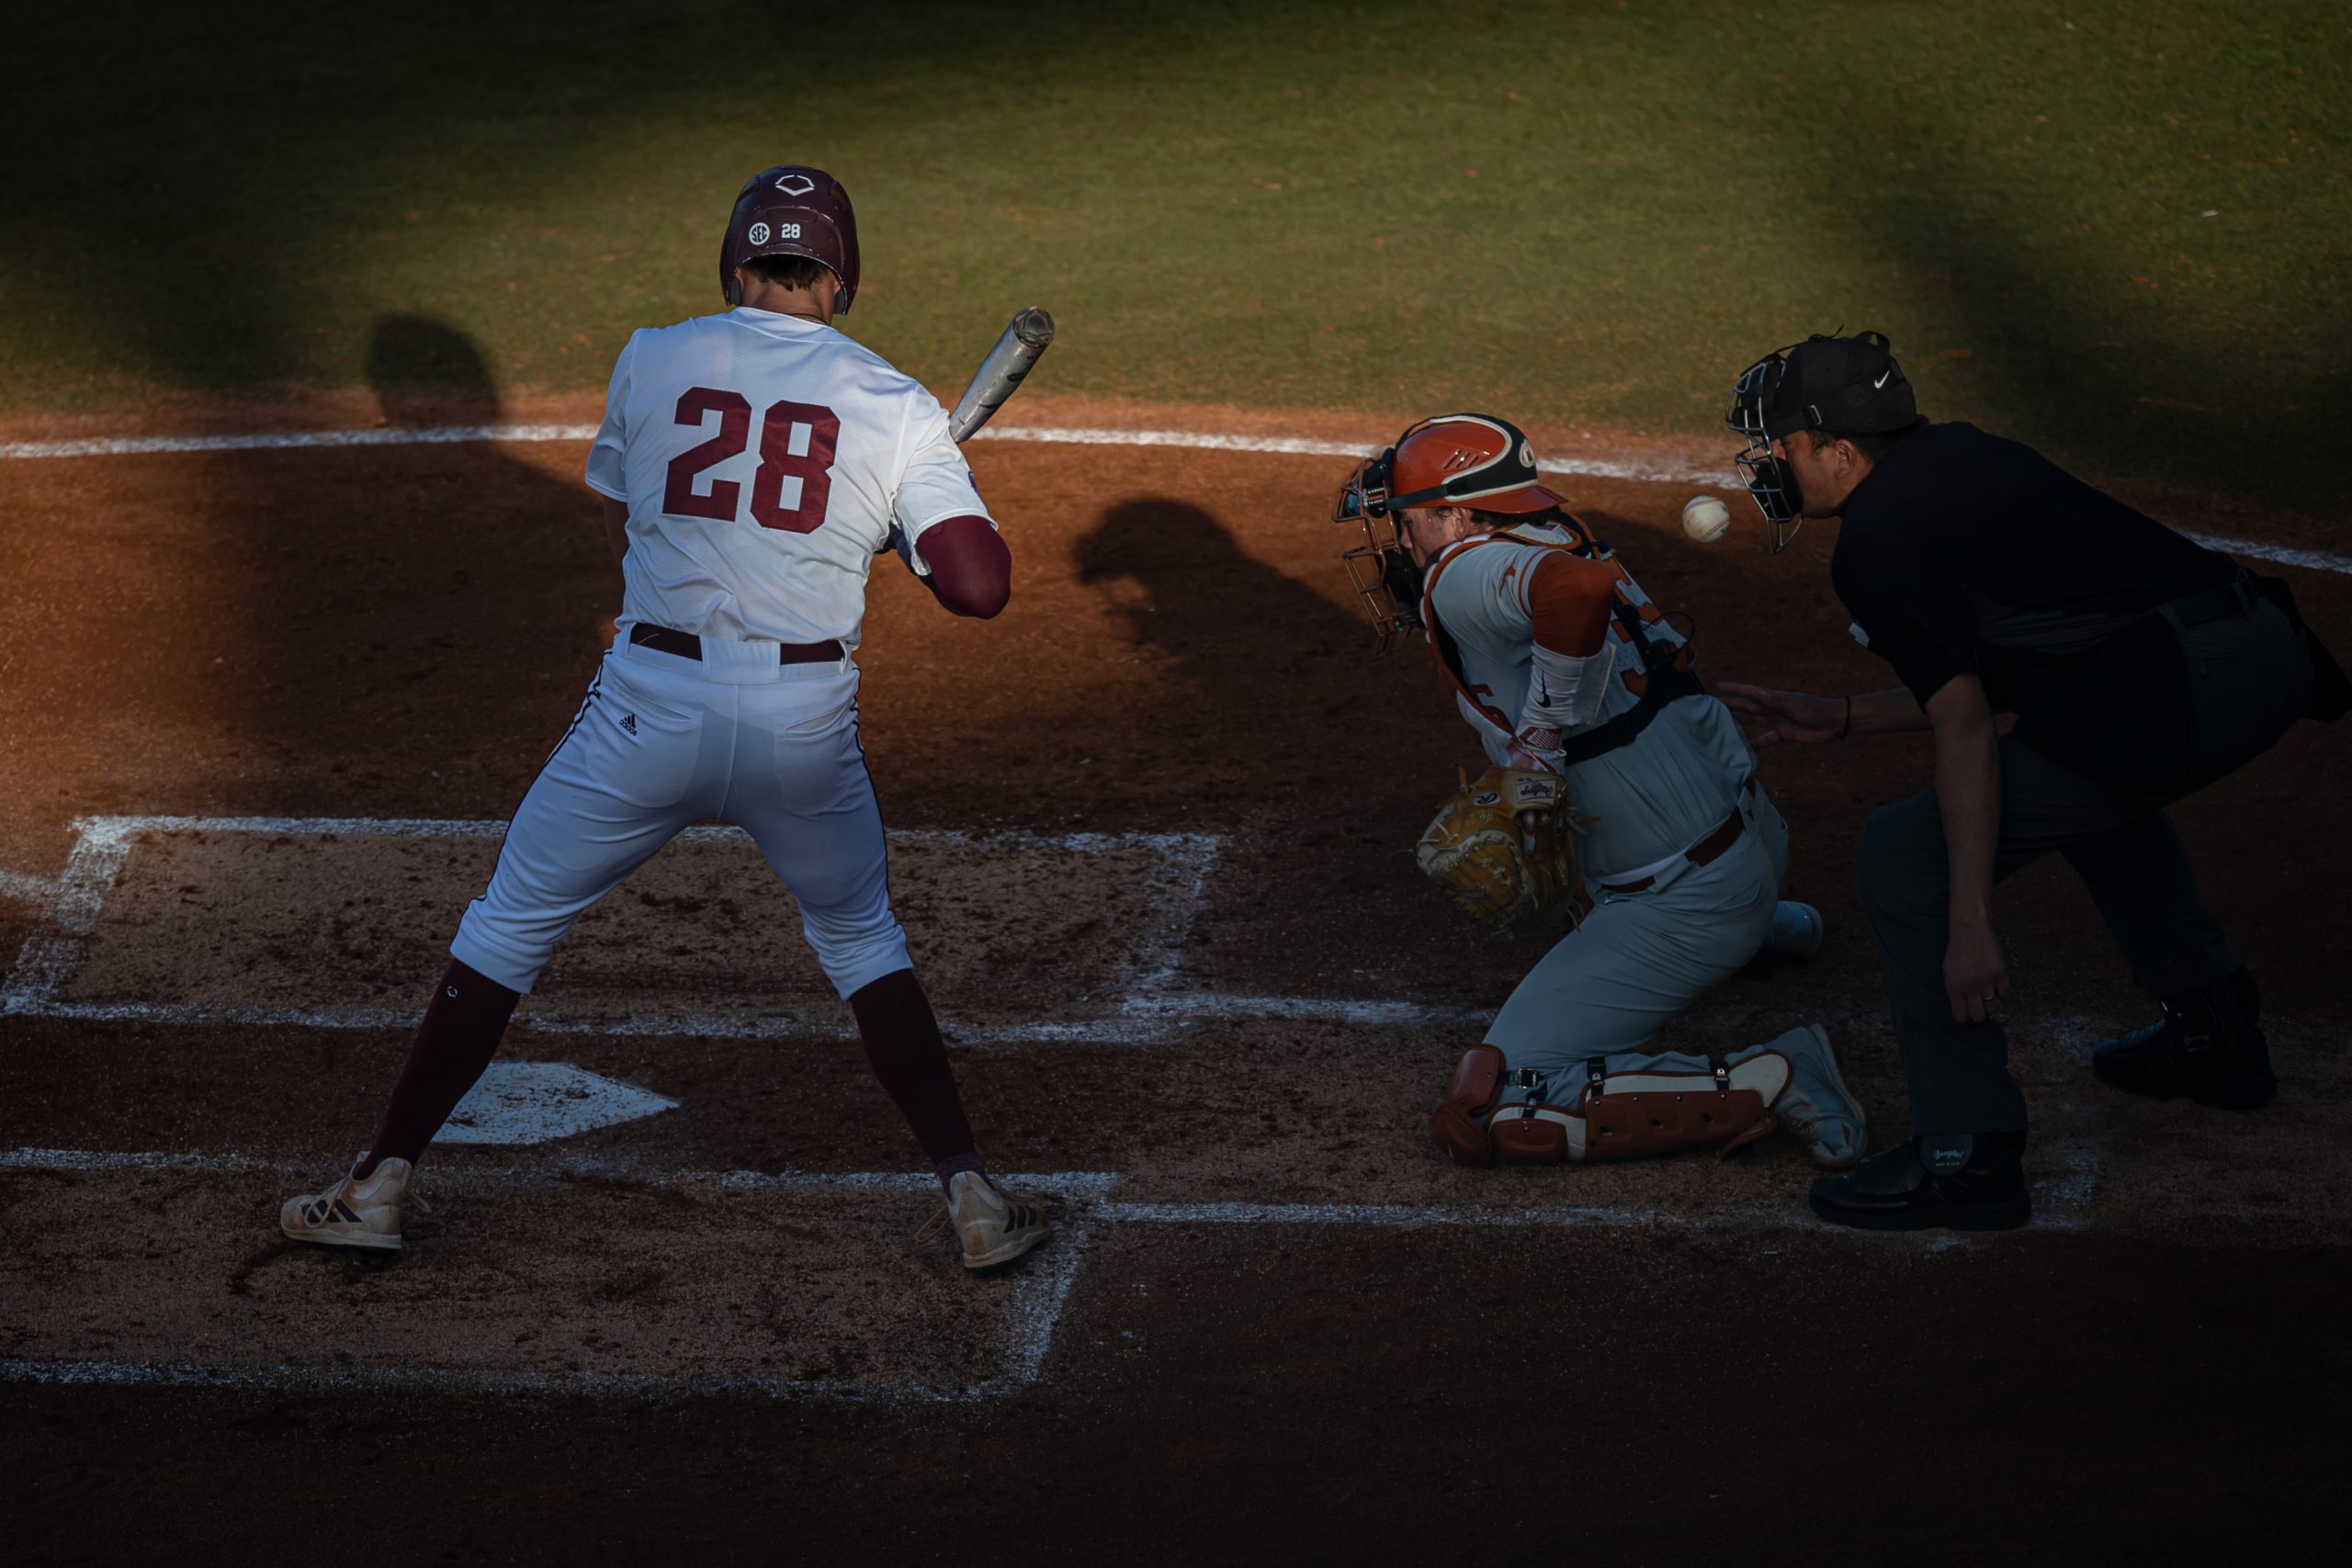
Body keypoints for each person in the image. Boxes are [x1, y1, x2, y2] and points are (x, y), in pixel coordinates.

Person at [280, 164, 1050, 1271]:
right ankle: (974, 1200)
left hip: (646, 707)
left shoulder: (653, 355)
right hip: (800, 730)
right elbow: (979, 587)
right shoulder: (895, 407)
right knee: (861, 940)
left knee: (505, 930)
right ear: (844, 280)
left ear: (738, 265)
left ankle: (378, 1186)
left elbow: (621, 518)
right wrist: (912, 516)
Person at [1719, 332, 2346, 1232]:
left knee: (1905, 853)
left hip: (2185, 684)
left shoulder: (1877, 541)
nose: (1766, 461)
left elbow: (1967, 724)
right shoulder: (1959, 454)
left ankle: (1965, 1153)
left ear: (1839, 452)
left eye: (1777, 444)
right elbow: (2025, 663)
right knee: (2085, 760)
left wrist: (1969, 920)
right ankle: (2212, 1032)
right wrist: (1844, 714)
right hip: (2254, 650)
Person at [1331, 414, 1866, 1172]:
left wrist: (1542, 733)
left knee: (1498, 1103)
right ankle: (1760, 927)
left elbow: (1572, 594)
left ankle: (1773, 1073)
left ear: (1457, 513)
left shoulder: (1464, 573)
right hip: (1751, 841)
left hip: (1687, 901)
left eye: (1409, 520)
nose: (1403, 542)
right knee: (1596, 811)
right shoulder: (1555, 527)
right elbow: (1578, 580)